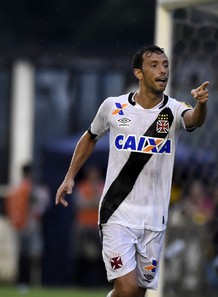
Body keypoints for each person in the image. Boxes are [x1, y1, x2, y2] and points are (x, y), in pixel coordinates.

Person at [56, 45, 209, 297]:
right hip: (117, 212)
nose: (162, 70)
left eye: (165, 64)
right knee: (125, 289)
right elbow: (90, 136)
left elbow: (194, 119)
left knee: (137, 292)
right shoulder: (113, 107)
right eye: (154, 65)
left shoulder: (174, 110)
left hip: (154, 217)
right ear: (138, 73)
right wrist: (70, 176)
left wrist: (201, 104)